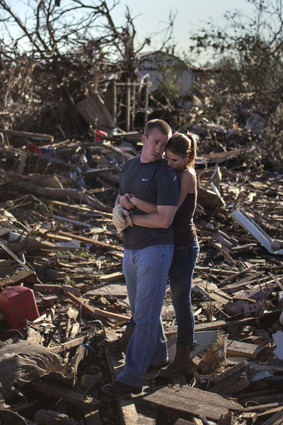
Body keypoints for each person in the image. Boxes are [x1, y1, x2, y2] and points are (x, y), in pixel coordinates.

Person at [101, 119, 180, 397]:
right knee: (142, 311)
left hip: (155, 251)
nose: (159, 149)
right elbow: (121, 197)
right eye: (155, 142)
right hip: (130, 249)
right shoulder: (129, 166)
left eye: (164, 144)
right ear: (143, 139)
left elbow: (164, 220)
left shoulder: (166, 175)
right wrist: (118, 210)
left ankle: (132, 377)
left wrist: (131, 218)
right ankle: (158, 357)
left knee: (145, 315)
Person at [122, 132, 199, 378]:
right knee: (148, 296)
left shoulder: (186, 176)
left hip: (184, 246)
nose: (168, 164)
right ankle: (140, 343)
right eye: (167, 158)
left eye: (174, 160)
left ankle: (184, 356)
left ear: (187, 158)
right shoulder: (170, 172)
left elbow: (167, 212)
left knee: (180, 301)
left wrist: (133, 204)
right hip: (168, 244)